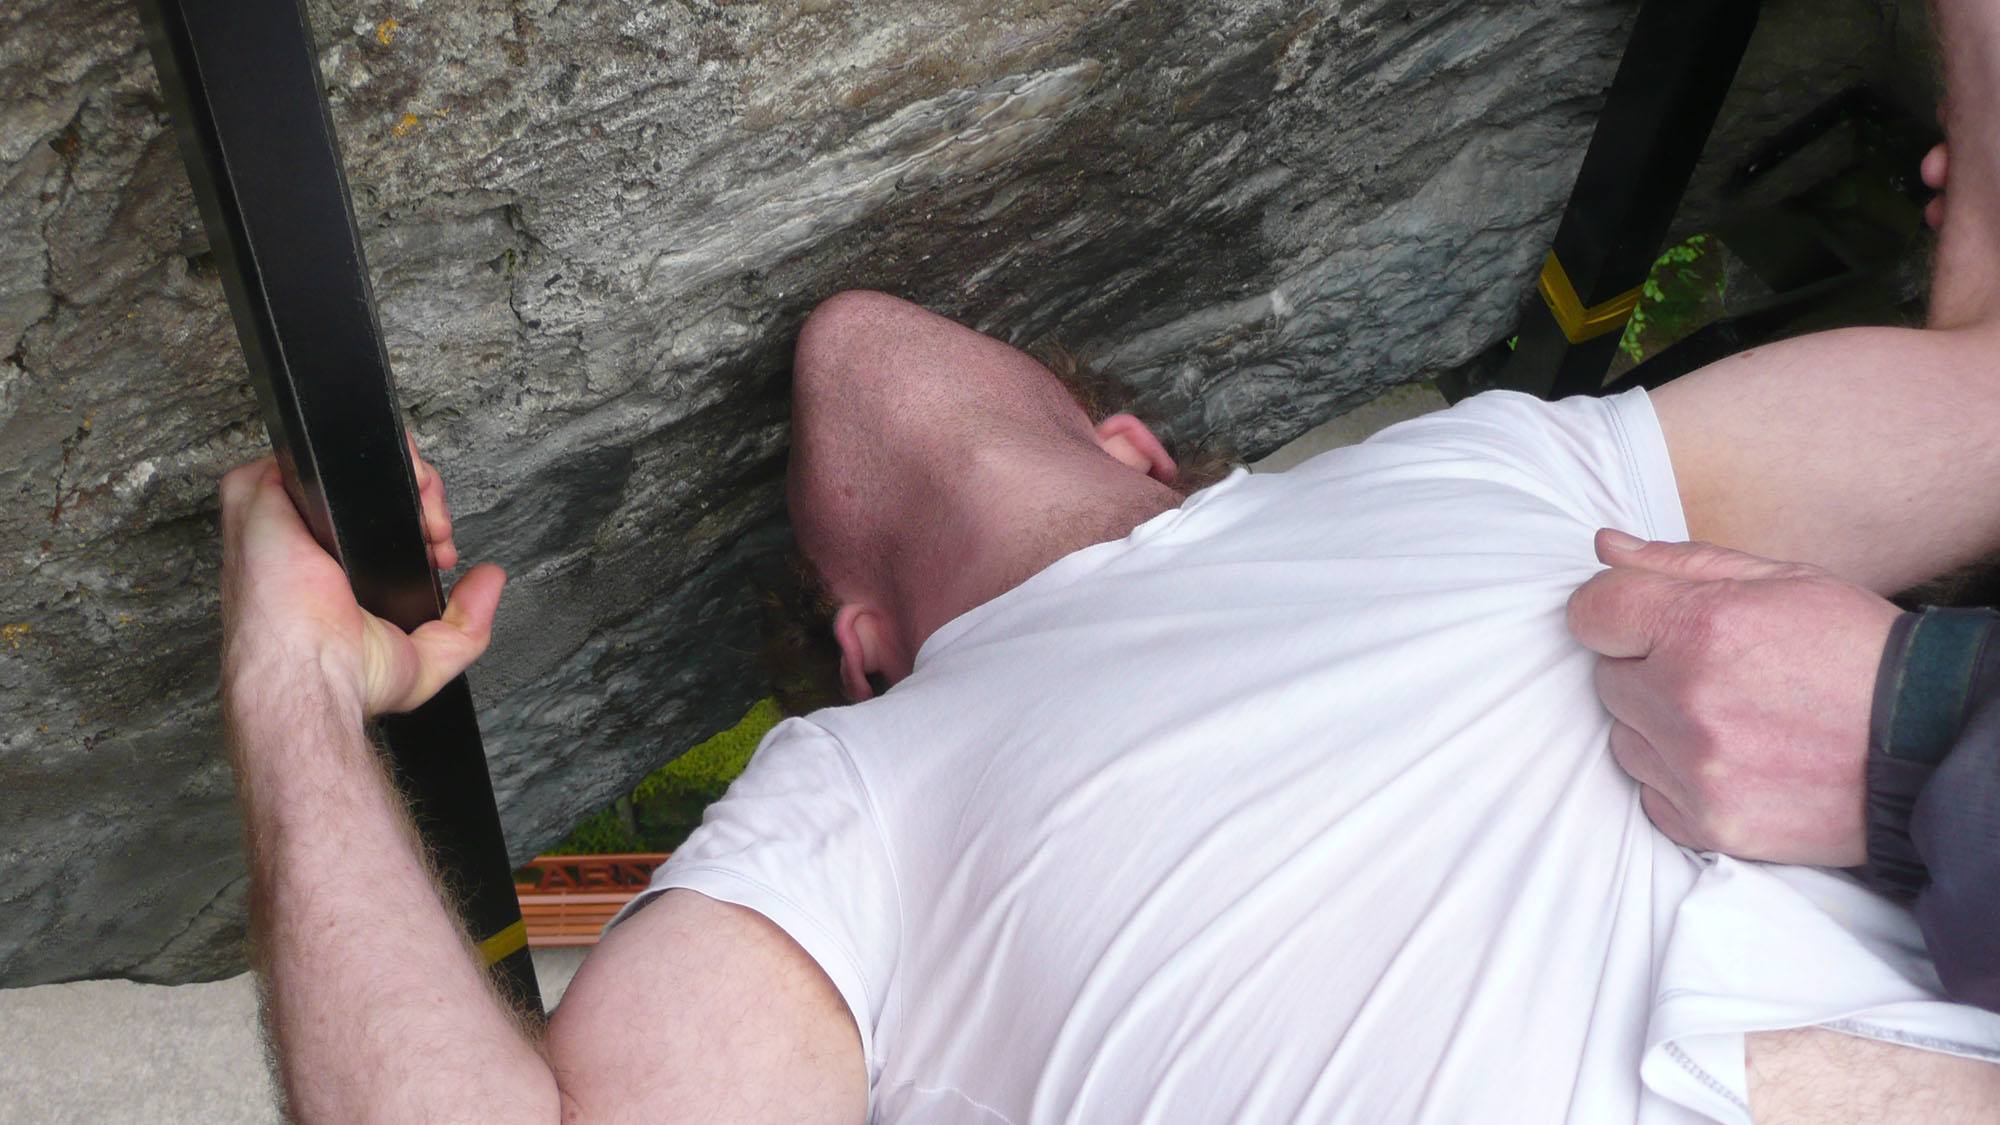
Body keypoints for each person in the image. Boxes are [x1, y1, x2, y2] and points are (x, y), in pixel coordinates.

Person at [215, 6, 2000, 1123]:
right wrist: (290, 694)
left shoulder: (1509, 464)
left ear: (1143, 449)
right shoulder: (839, 830)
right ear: (870, 651)